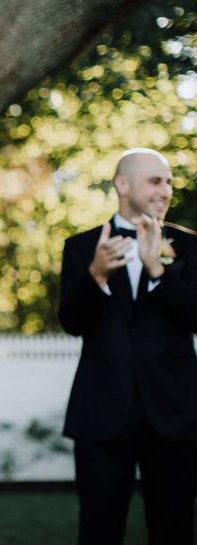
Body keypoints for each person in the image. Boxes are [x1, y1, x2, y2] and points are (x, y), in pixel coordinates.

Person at [58, 148, 196, 544]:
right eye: (156, 180)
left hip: (174, 412)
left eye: (169, 181)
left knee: (174, 528)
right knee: (99, 529)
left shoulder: (189, 247)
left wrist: (157, 270)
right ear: (123, 185)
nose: (166, 190)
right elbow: (71, 322)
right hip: (101, 411)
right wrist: (96, 276)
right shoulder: (82, 248)